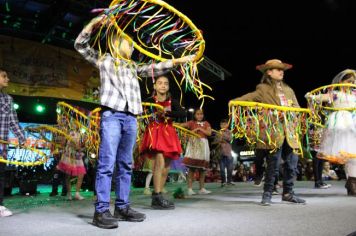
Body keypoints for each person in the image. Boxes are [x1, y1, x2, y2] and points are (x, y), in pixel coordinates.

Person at [75, 15, 194, 228]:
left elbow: (155, 68)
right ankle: (101, 210)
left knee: (125, 164)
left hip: (131, 118)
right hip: (112, 115)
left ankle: (122, 207)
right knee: (106, 163)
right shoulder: (105, 60)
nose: (131, 48)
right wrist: (95, 23)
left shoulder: (133, 67)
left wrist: (178, 61)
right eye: (128, 44)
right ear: (115, 43)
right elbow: (80, 45)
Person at [232, 59, 306, 206]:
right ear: (269, 72)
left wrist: (296, 119)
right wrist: (235, 101)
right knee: (274, 164)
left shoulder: (289, 90)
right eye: (277, 69)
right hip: (274, 132)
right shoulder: (263, 89)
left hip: (290, 132)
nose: (281, 72)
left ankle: (288, 193)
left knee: (292, 164)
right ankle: (267, 194)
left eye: (282, 69)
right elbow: (249, 97)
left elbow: (297, 108)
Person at [306, 69, 356, 195]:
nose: (352, 83)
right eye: (349, 81)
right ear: (341, 82)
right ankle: (352, 182)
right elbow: (320, 97)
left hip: (353, 123)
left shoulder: (355, 94)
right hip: (341, 125)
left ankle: (351, 181)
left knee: (352, 156)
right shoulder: (335, 94)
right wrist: (311, 96)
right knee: (349, 155)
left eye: (354, 81)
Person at [140, 75, 187, 209]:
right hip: (155, 133)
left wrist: (167, 114)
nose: (163, 85)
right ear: (155, 86)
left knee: (166, 167)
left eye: (165, 83)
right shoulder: (150, 100)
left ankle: (158, 195)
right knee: (159, 162)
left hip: (168, 133)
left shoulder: (173, 101)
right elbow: (144, 117)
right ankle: (157, 195)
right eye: (160, 83)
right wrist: (154, 115)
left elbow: (182, 113)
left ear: (168, 86)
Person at [0, 68, 26, 217]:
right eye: (4, 76)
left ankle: (0, 205)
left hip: (1, 146)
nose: (7, 79)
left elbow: (13, 122)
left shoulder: (8, 99)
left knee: (0, 175)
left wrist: (22, 138)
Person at [180, 109, 212, 195]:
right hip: (194, 145)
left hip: (204, 145)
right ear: (194, 115)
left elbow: (209, 133)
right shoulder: (191, 123)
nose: (199, 116)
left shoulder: (206, 123)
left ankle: (201, 188)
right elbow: (182, 125)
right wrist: (173, 123)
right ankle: (190, 189)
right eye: (197, 114)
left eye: (201, 114)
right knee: (192, 168)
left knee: (202, 169)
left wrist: (199, 128)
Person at [57, 126, 86, 201]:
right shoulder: (68, 132)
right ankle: (69, 193)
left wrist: (81, 148)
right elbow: (64, 143)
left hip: (77, 155)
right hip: (69, 155)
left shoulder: (82, 133)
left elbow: (83, 145)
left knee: (81, 175)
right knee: (68, 175)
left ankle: (77, 193)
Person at [213, 119, 235, 186]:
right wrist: (218, 141)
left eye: (225, 124)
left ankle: (229, 181)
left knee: (230, 168)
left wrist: (222, 136)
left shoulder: (229, 132)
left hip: (228, 152)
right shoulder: (218, 132)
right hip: (220, 152)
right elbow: (216, 141)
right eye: (222, 124)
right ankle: (223, 182)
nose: (223, 125)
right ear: (220, 125)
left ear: (227, 125)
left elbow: (230, 139)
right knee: (222, 169)